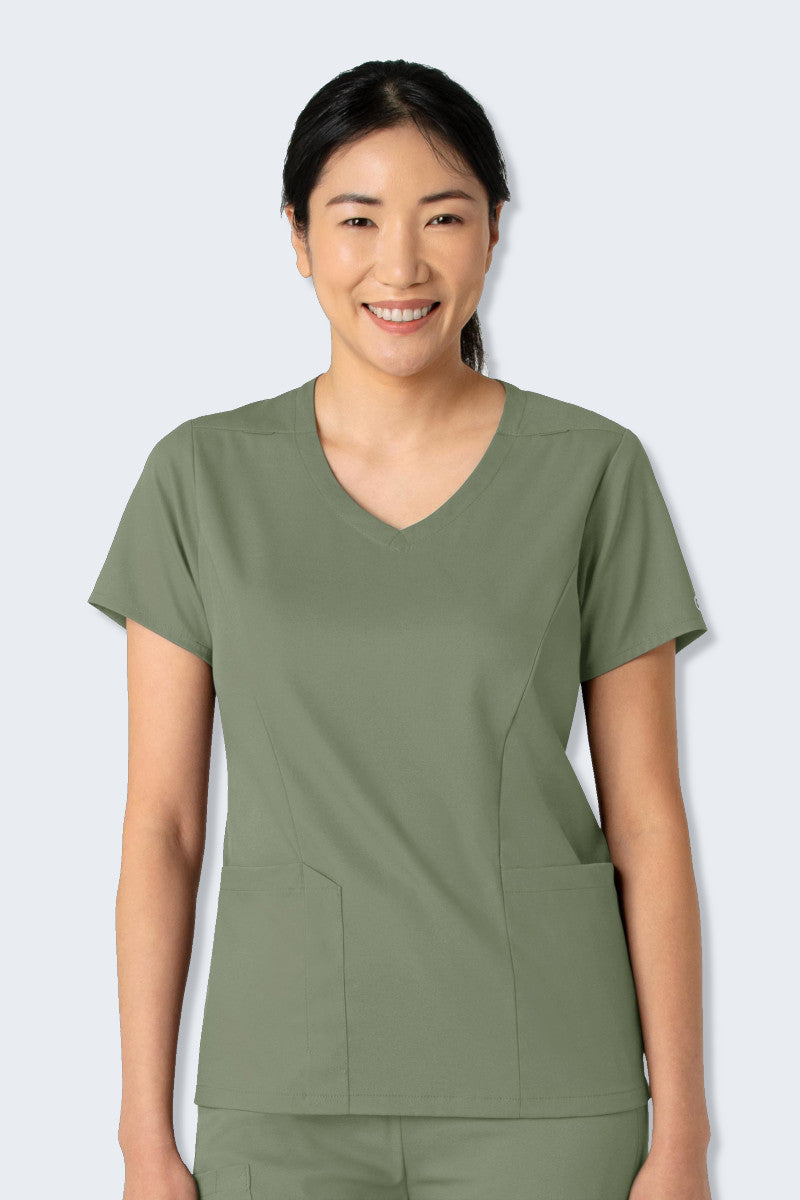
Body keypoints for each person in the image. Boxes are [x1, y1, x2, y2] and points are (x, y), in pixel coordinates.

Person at [88, 58, 713, 1200]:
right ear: (297, 236)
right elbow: (163, 826)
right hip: (281, 1095)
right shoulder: (200, 479)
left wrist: (683, 1139)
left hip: (549, 1086)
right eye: (357, 218)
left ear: (492, 232)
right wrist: (142, 1137)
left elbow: (648, 820)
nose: (401, 264)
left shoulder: (590, 470)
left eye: (443, 217)